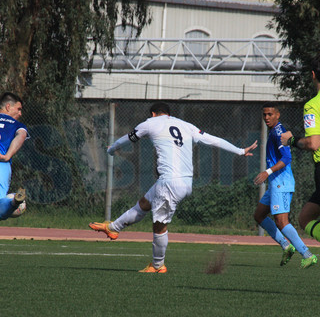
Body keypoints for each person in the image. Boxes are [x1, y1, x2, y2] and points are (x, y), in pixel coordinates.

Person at [89, 102, 257, 273]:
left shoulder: (149, 123)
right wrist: (240, 151)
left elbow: (128, 138)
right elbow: (213, 140)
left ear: (153, 114)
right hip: (184, 182)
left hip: (169, 183)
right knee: (144, 203)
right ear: (168, 114)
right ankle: (113, 229)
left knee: (159, 225)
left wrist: (112, 149)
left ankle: (157, 266)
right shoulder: (186, 125)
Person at [253, 103, 316, 269]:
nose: (267, 117)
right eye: (264, 114)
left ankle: (307, 254)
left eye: (270, 114)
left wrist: (267, 172)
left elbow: (287, 157)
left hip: (281, 182)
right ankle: (287, 246)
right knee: (259, 215)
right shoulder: (274, 131)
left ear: (278, 115)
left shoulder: (278, 132)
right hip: (275, 182)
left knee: (281, 221)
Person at [281, 54, 320, 266]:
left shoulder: (313, 105)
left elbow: (313, 143)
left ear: (313, 75)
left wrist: (293, 140)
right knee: (305, 217)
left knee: (305, 219)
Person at [0, 92, 28, 220]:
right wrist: (7, 156)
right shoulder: (17, 125)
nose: (20, 113)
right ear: (7, 107)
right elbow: (21, 136)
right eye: (18, 109)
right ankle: (13, 203)